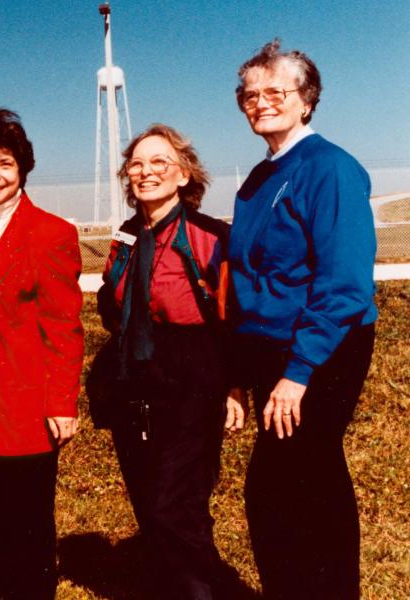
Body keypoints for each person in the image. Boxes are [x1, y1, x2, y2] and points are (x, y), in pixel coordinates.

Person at [228, 40, 376, 599]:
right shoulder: (258, 180)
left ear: (306, 100)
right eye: (250, 94)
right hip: (271, 351)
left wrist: (299, 371)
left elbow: (343, 285)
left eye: (275, 92)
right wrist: (239, 375)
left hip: (323, 347)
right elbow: (249, 283)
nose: (261, 102)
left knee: (303, 482)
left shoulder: (329, 168)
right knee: (274, 491)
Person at [0, 109, 84, 599]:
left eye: (4, 163)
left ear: (22, 168)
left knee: (23, 503)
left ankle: (27, 587)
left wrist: (62, 402)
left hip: (19, 381)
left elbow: (65, 328)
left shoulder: (49, 233)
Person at [96, 124, 241, 599]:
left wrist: (235, 386)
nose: (146, 171)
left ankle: (209, 590)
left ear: (183, 175)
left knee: (173, 503)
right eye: (137, 163)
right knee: (146, 497)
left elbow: (234, 315)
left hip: (192, 377)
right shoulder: (125, 236)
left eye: (160, 162)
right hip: (133, 378)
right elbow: (109, 301)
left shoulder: (210, 237)